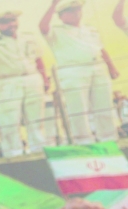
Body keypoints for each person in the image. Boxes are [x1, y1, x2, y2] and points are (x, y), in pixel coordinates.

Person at [0, 7, 50, 157]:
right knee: (9, 124)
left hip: (31, 79)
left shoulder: (28, 37)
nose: (10, 24)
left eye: (13, 20)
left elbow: (38, 58)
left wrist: (44, 78)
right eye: (5, 23)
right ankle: (13, 155)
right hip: (6, 83)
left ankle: (39, 153)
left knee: (36, 120)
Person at [40, 0, 119, 144]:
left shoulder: (90, 29)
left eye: (78, 10)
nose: (76, 13)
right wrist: (52, 5)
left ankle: (109, 140)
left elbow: (100, 48)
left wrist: (111, 67)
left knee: (104, 107)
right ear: (61, 16)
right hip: (73, 71)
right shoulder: (57, 31)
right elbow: (43, 27)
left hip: (97, 67)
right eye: (71, 11)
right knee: (78, 110)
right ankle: (83, 142)